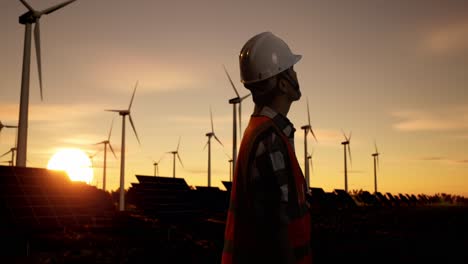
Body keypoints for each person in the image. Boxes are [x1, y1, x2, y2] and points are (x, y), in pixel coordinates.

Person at [222, 31, 312, 264]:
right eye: (291, 70)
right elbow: (277, 231)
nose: (295, 74)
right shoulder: (269, 141)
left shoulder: (261, 132)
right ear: (283, 83)